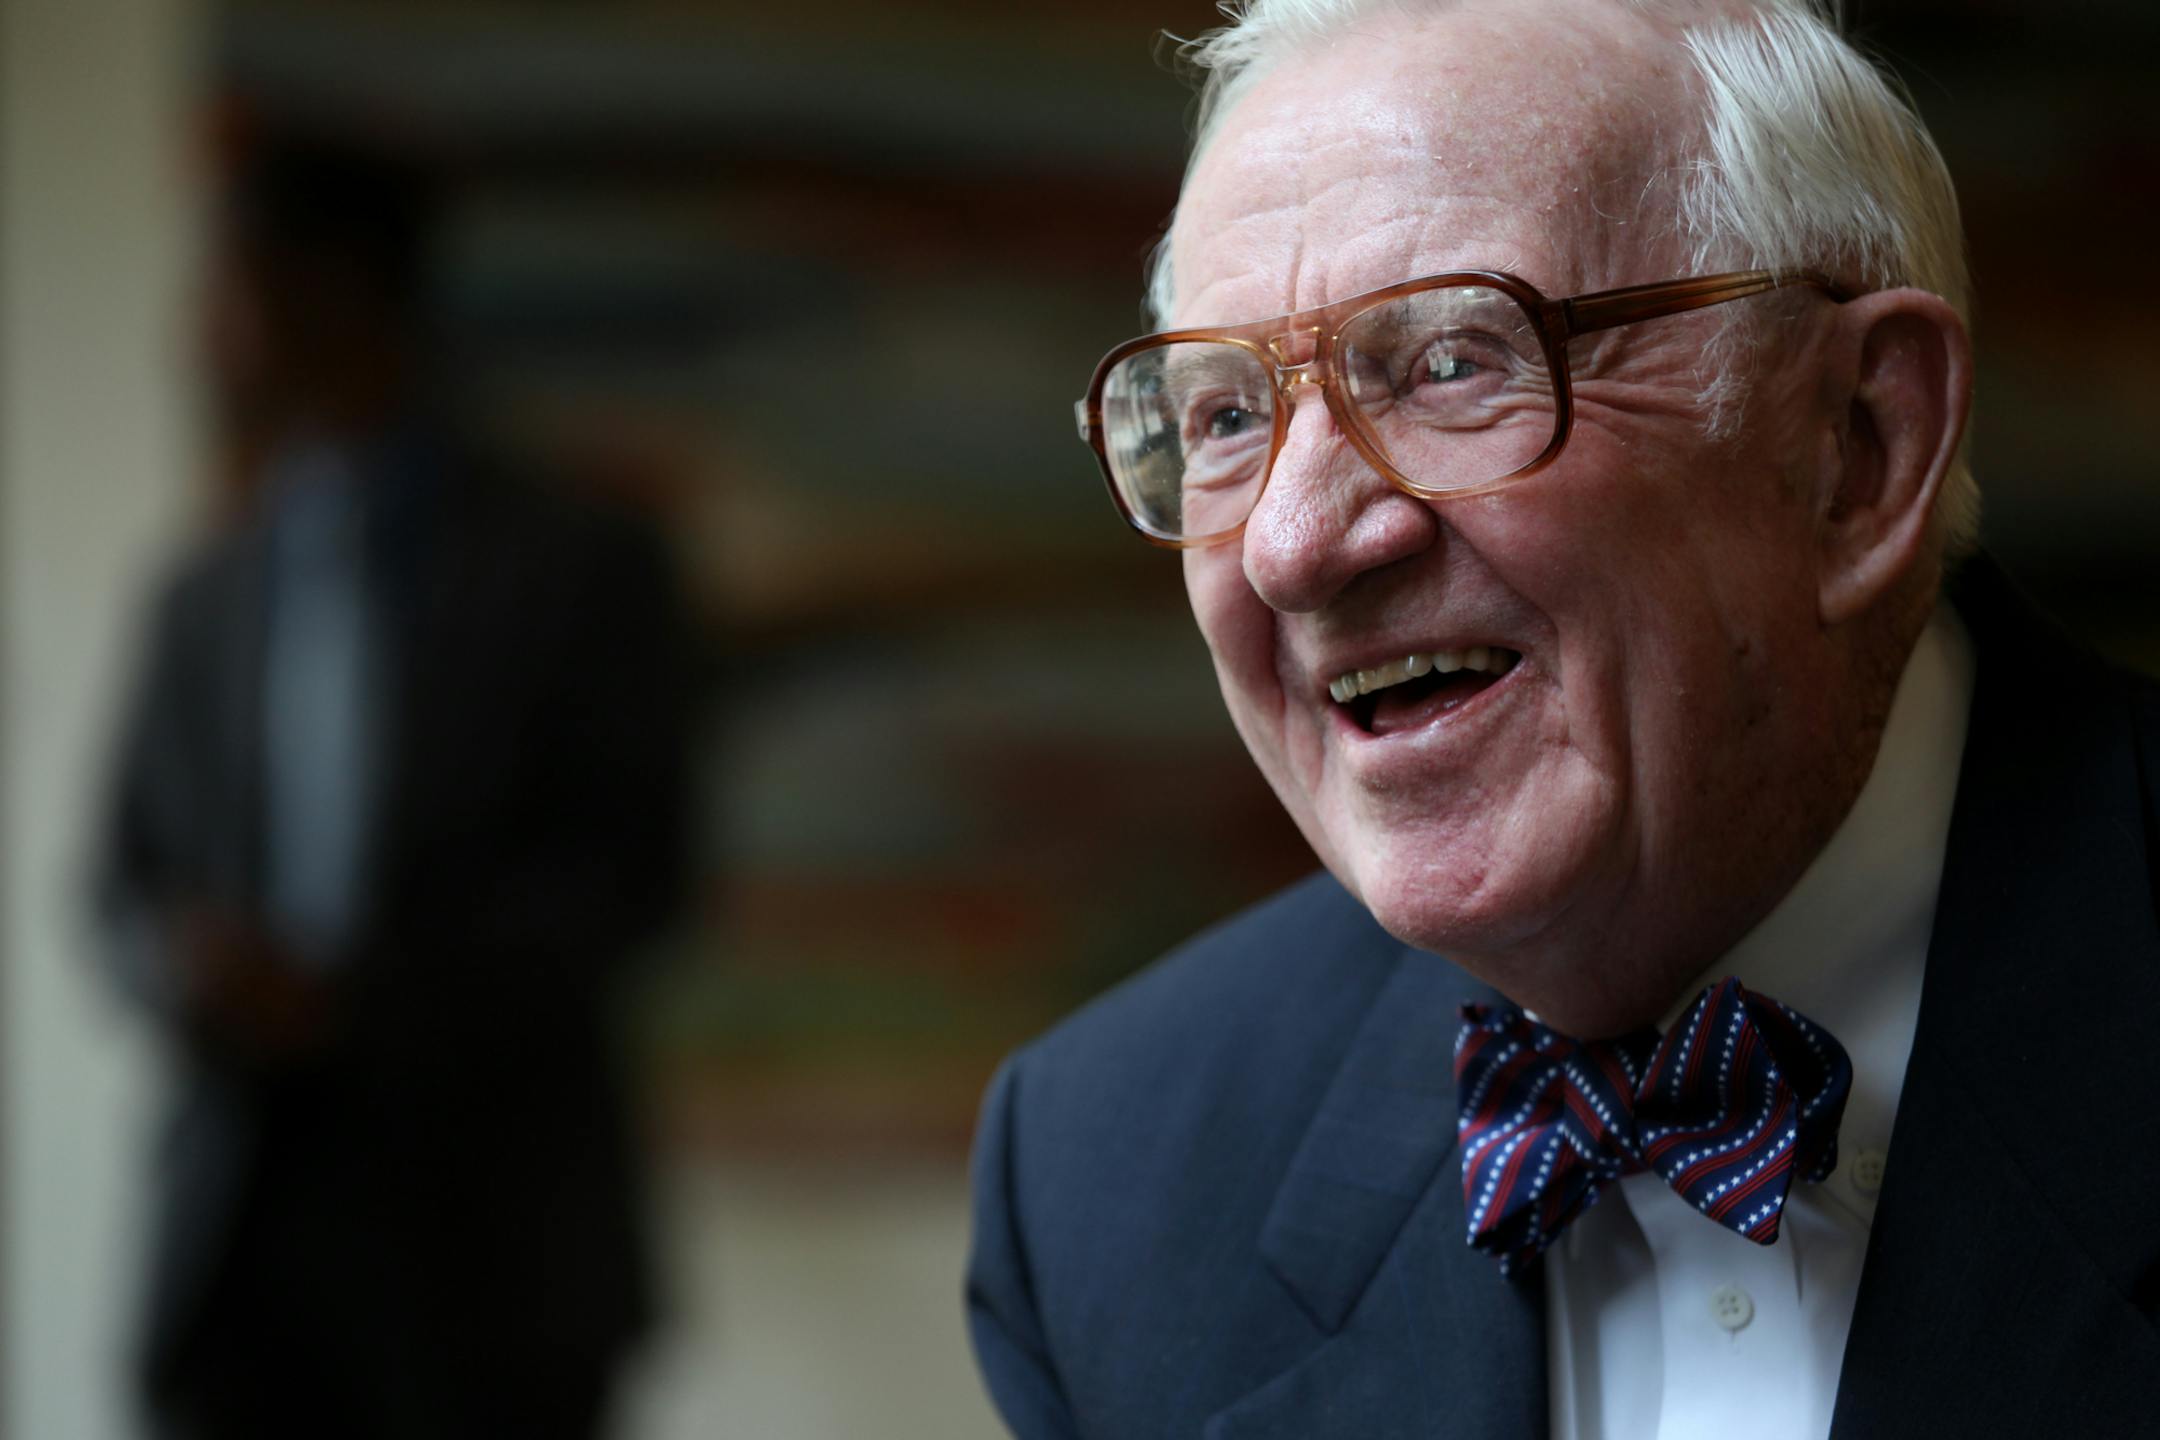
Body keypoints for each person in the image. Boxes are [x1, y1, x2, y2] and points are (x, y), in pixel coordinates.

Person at [966, 1, 2160, 1436]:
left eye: (1453, 362)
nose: (1289, 545)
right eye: (1225, 418)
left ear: (1857, 449)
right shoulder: (1108, 1179)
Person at [96, 129, 692, 1439]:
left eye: (227, 290)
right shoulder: (202, 599)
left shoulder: (579, 568)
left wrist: (352, 1005)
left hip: (500, 1250)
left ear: (329, 291)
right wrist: (183, 965)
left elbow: (635, 880)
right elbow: (116, 886)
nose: (199, 332)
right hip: (239, 1250)